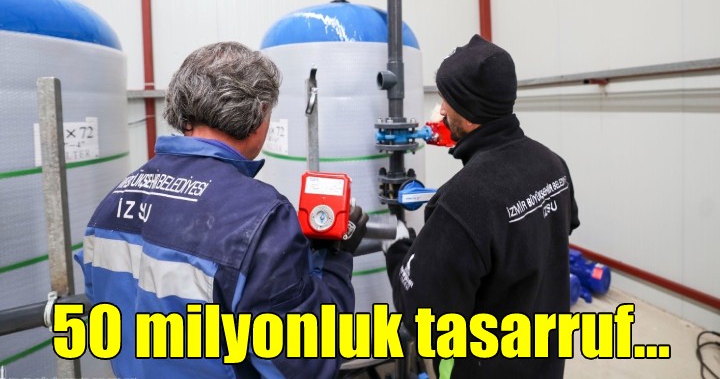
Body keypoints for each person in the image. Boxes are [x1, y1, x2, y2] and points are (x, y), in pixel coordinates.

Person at [75, 42, 367, 379]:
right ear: (259, 114)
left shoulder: (113, 201)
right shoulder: (261, 218)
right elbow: (306, 362)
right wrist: (333, 261)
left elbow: (105, 319)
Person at [384, 35, 580, 378]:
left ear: (470, 110)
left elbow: (421, 316)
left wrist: (400, 248)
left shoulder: (461, 202)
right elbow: (549, 234)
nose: (441, 110)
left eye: (447, 100)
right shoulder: (552, 164)